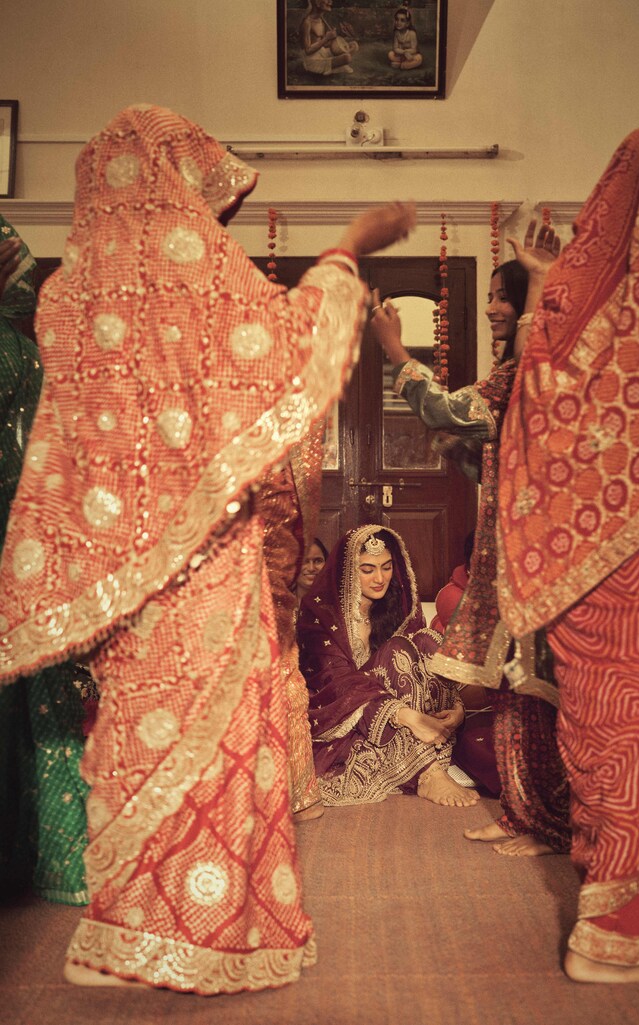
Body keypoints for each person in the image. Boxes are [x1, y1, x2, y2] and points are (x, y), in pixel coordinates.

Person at [0, 105, 416, 993]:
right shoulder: (198, 274)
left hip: (118, 573)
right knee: (216, 736)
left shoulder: (66, 294)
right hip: (205, 565)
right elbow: (290, 346)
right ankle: (203, 929)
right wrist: (348, 245)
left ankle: (126, 929)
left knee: (135, 733)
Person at [497, 126, 639, 982]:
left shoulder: (569, 303)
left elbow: (531, 398)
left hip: (580, 577)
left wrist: (543, 283)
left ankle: (630, 917)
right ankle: (612, 935)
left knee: (613, 731)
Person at [370, 222, 571, 858]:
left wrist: (395, 351)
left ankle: (546, 822)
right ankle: (521, 812)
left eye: (502, 297)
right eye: (489, 297)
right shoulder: (513, 374)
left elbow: (446, 409)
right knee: (509, 684)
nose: (491, 309)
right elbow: (468, 446)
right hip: (503, 550)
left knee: (532, 686)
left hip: (535, 555)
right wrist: (464, 447)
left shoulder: (531, 374)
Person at [0, 214, 93, 906]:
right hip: (37, 548)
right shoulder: (32, 355)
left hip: (22, 540)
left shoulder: (22, 355)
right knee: (41, 700)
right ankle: (51, 857)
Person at [298, 524, 476, 807]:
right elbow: (335, 682)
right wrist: (406, 716)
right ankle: (428, 772)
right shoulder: (319, 614)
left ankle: (436, 736)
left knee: (425, 639)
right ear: (347, 571)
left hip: (401, 710)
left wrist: (457, 708)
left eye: (387, 567)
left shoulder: (397, 606)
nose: (379, 578)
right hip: (345, 715)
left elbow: (420, 668)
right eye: (367, 570)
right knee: (396, 649)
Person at [255, 443, 327, 824]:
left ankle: (295, 794)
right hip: (233, 578)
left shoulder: (284, 470)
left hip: (265, 576)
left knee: (287, 682)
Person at [300, 0, 358, 76]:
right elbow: (307, 51)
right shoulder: (307, 22)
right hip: (312, 60)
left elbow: (325, 45)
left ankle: (333, 67)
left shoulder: (321, 20)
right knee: (347, 58)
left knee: (354, 45)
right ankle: (334, 68)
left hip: (323, 53)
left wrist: (341, 35)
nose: (330, 1)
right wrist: (326, 38)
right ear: (317, 2)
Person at [294, 536, 329, 611]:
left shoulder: (337, 606)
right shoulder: (281, 603)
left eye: (318, 561)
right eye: (304, 561)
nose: (311, 568)